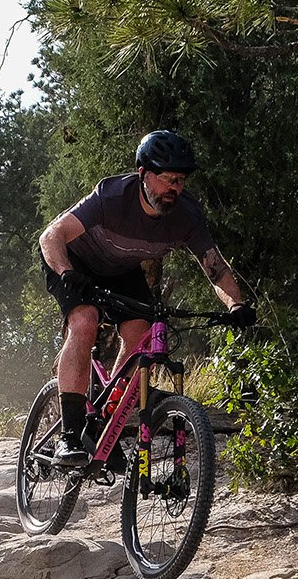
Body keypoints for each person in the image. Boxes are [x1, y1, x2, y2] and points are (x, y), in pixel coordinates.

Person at [38, 129, 255, 466]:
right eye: (168, 179)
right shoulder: (112, 197)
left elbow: (214, 266)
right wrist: (67, 273)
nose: (176, 188)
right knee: (85, 321)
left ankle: (103, 424)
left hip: (121, 269)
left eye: (181, 181)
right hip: (72, 260)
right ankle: (70, 435)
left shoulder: (186, 215)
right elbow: (51, 236)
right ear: (144, 175)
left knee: (141, 333)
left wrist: (236, 304)